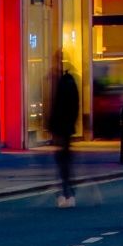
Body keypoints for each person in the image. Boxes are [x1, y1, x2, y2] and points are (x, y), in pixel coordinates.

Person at [46, 62, 82, 208]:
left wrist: (54, 126)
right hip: (64, 128)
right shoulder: (67, 83)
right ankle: (66, 192)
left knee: (63, 162)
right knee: (63, 161)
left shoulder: (63, 84)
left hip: (62, 128)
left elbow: (60, 108)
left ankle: (66, 192)